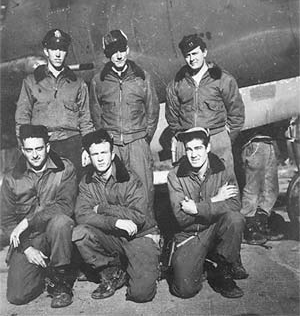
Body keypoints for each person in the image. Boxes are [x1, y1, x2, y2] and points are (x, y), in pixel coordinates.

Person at [72, 129, 160, 303]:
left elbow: (138, 216)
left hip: (138, 236)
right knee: (80, 233)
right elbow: (82, 215)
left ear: (112, 154)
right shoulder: (87, 182)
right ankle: (112, 271)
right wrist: (115, 222)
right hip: (112, 236)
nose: (100, 158)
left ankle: (150, 262)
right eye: (95, 154)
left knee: (141, 294)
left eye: (104, 152)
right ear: (89, 156)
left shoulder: (129, 178)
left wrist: (103, 208)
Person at [0, 125, 77, 308]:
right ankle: (45, 272)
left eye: (39, 148)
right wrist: (27, 249)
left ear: (48, 147)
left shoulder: (65, 168)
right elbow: (6, 220)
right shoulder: (12, 178)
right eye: (29, 150)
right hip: (30, 241)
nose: (34, 155)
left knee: (61, 222)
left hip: (56, 234)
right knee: (17, 296)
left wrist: (28, 221)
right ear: (22, 150)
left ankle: (60, 281)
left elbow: (65, 206)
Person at [167, 127, 246, 299]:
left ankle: (224, 271)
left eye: (198, 148)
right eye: (189, 149)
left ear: (208, 148)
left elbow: (234, 204)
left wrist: (198, 208)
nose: (193, 154)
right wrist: (215, 200)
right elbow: (181, 218)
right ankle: (202, 263)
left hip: (215, 228)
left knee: (235, 219)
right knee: (184, 290)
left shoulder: (223, 169)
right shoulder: (175, 176)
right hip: (190, 234)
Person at [89, 29, 159, 212]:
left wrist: (143, 140)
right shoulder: (98, 81)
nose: (118, 55)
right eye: (113, 51)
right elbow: (96, 116)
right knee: (116, 192)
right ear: (107, 54)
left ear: (127, 50)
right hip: (113, 147)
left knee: (144, 190)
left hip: (137, 144)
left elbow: (152, 111)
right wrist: (108, 143)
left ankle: (151, 233)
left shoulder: (142, 77)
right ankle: (122, 235)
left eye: (121, 49)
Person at [15, 28, 94, 180]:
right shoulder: (31, 82)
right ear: (46, 51)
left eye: (62, 49)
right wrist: (25, 150)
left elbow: (86, 120)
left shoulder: (78, 83)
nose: (58, 54)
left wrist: (87, 149)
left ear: (66, 52)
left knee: (73, 193)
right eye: (53, 49)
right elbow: (22, 120)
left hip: (72, 146)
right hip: (44, 146)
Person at [165, 34, 245, 176]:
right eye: (187, 55)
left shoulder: (222, 79)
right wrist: (182, 136)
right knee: (195, 189)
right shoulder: (177, 83)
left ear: (204, 52)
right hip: (191, 144)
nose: (192, 59)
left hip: (217, 140)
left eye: (195, 53)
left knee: (226, 186)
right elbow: (172, 115)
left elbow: (236, 113)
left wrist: (225, 138)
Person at [239, 124, 285, 244]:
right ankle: (249, 227)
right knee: (253, 187)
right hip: (255, 141)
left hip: (268, 140)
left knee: (270, 187)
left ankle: (261, 223)